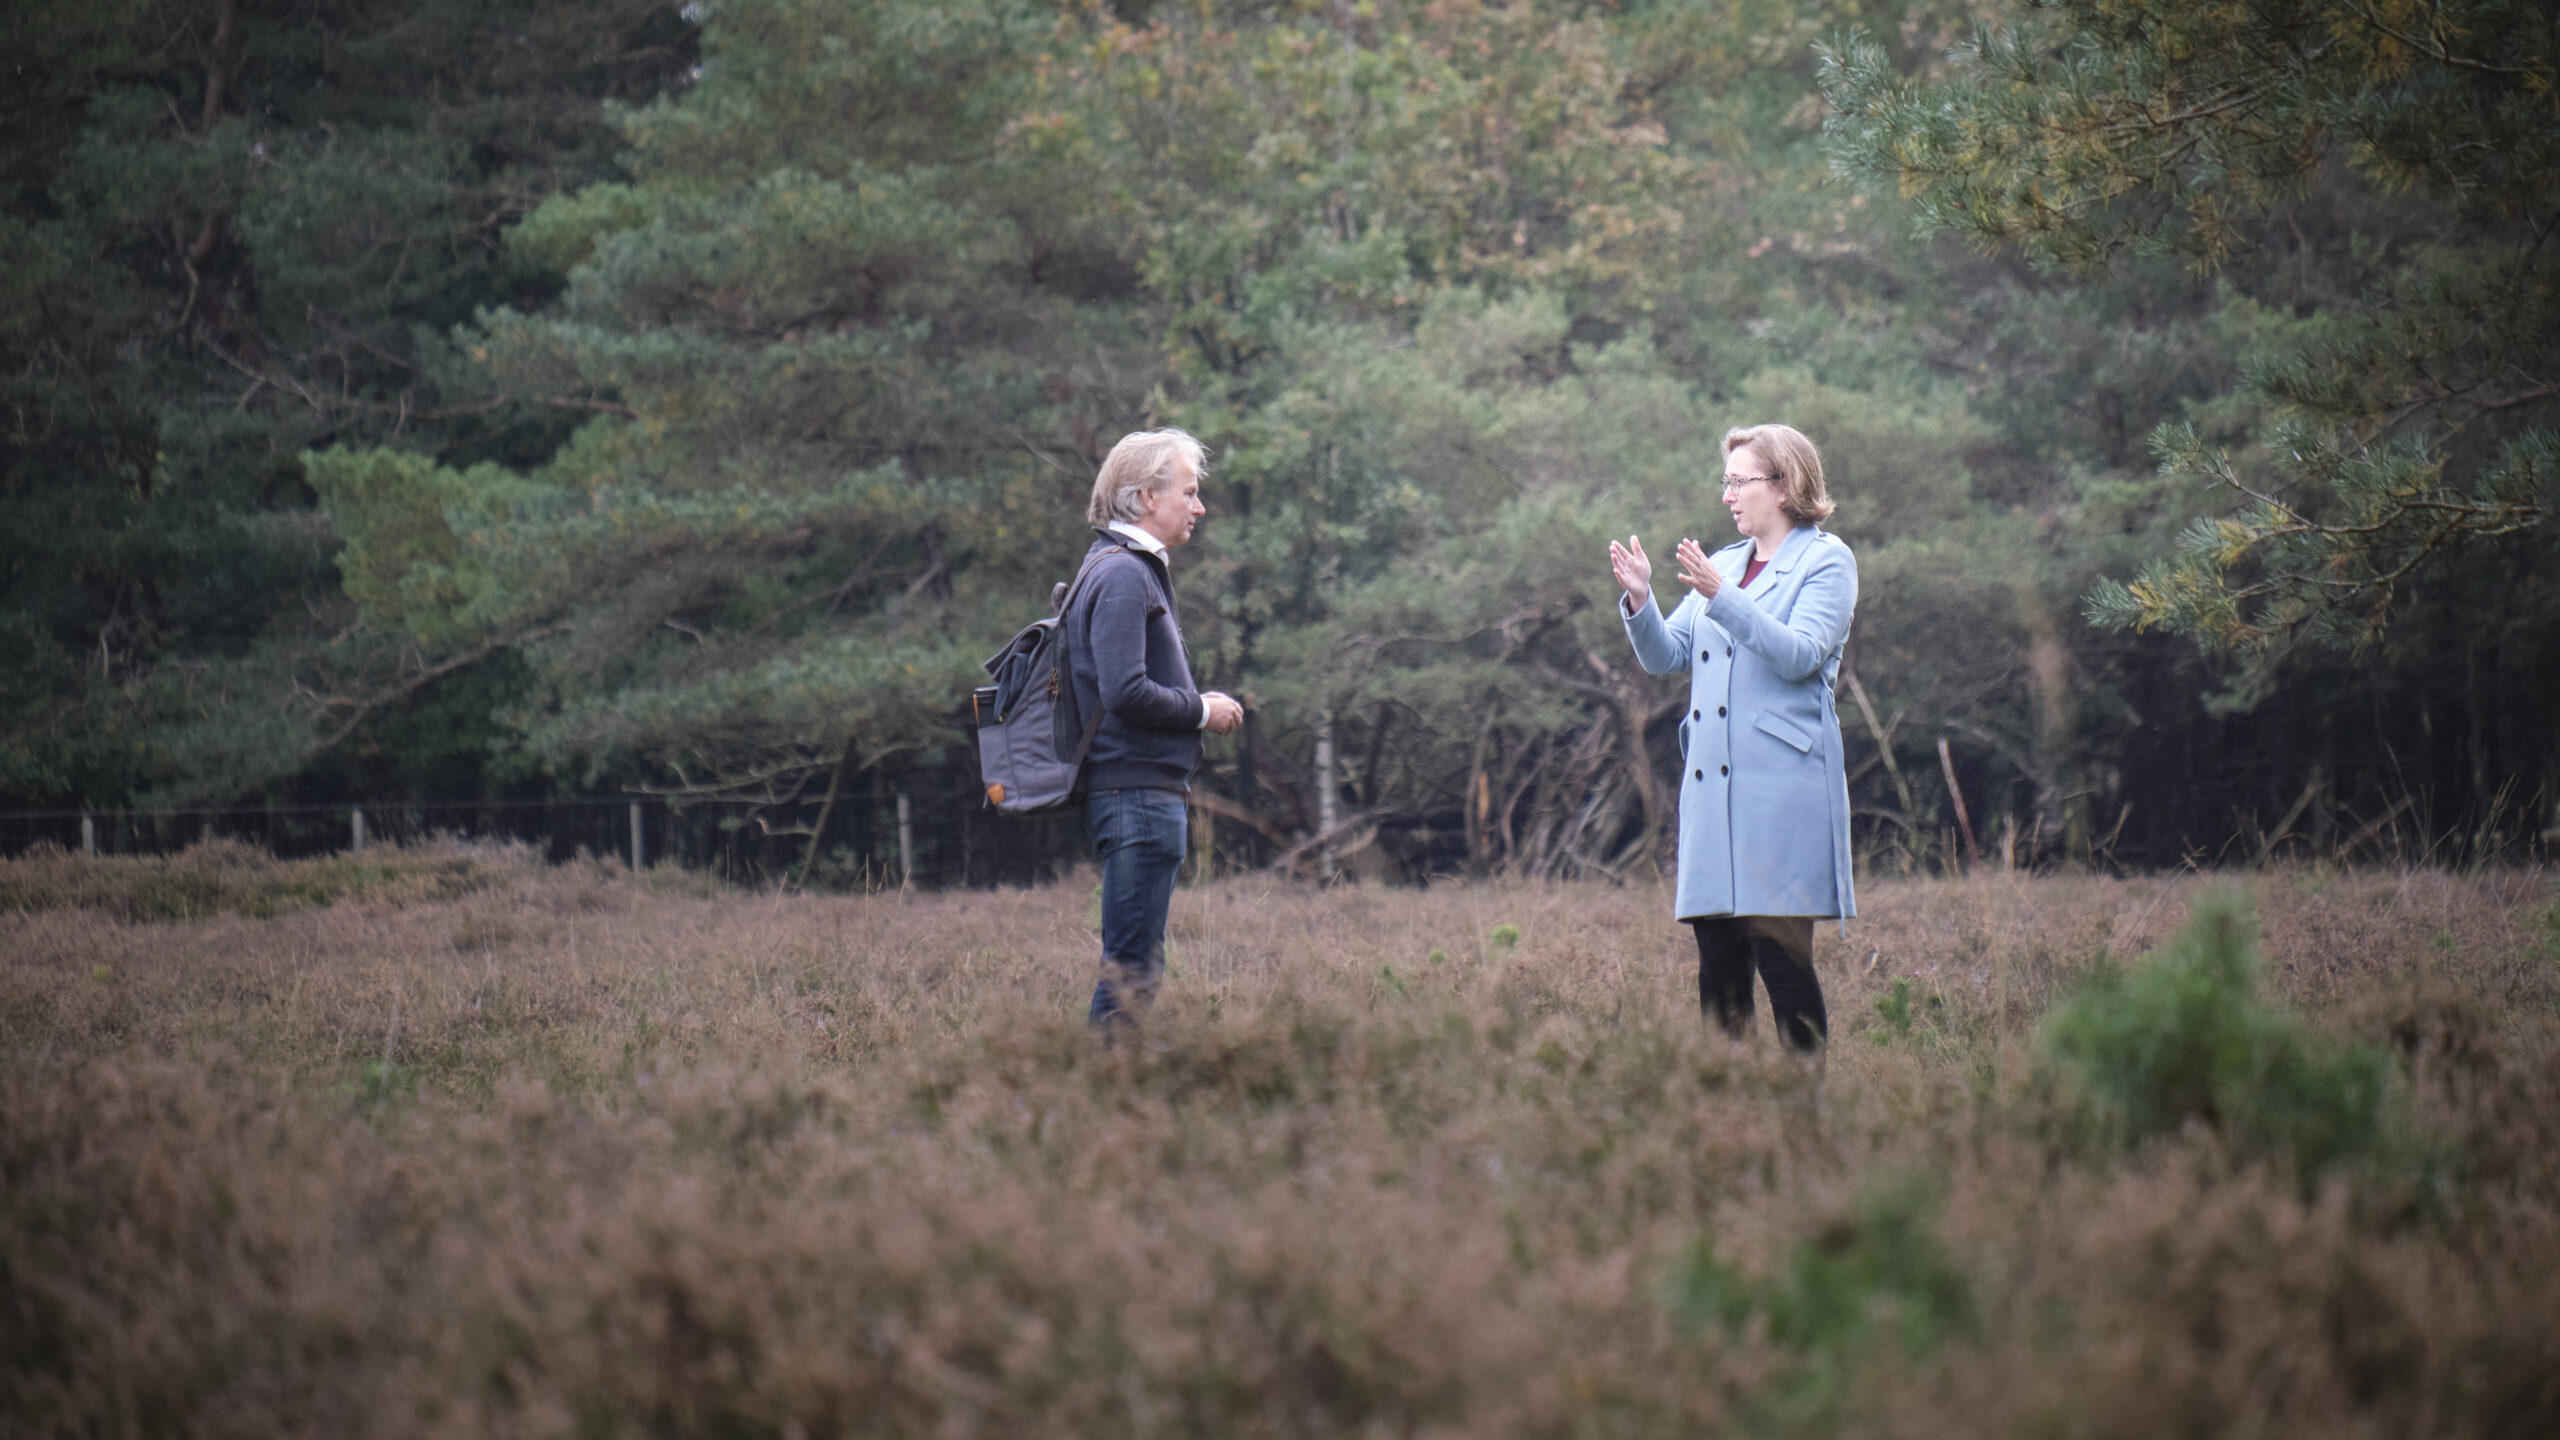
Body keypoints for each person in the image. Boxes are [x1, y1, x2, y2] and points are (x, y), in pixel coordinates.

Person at [1607, 423, 1856, 1053]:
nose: (1728, 496)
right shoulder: (1723, 564)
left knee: (1782, 965)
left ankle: (1805, 1115)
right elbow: (1671, 657)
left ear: (1783, 485)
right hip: (1712, 795)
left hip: (1781, 793)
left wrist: (1723, 600)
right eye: (1727, 482)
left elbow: (1799, 656)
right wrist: (1641, 603)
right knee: (1717, 970)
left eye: (1739, 482)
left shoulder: (1827, 562)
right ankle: (1728, 1113)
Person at [1065, 428, 1245, 1029]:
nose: (1199, 507)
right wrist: (1201, 712)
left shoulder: (1117, 567)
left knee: (1134, 964)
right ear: (1146, 498)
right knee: (1132, 969)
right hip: (1137, 797)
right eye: (1189, 493)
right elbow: (1124, 691)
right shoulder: (1122, 574)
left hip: (1136, 794)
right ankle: (1104, 1102)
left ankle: (1110, 1097)